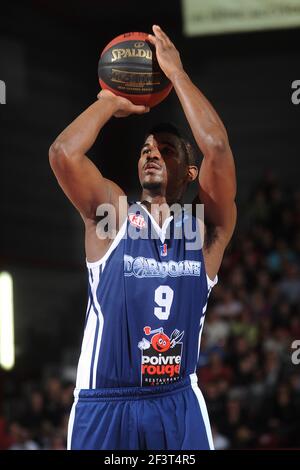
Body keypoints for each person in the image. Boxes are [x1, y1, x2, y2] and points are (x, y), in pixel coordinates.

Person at [49, 25, 236, 450]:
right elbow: (63, 155)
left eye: (166, 149)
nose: (151, 152)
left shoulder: (205, 231)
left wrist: (178, 75)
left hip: (176, 403)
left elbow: (218, 149)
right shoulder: (113, 216)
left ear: (190, 173)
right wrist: (109, 102)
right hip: (104, 403)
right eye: (146, 148)